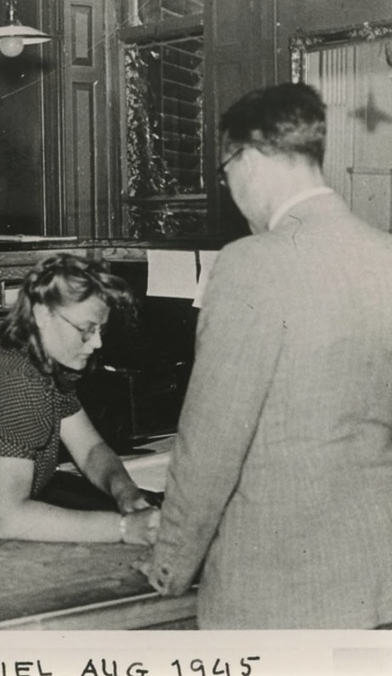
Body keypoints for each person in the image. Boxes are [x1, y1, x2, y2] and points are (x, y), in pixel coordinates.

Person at [136, 82, 392, 628]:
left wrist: (170, 564)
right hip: (376, 579)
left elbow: (212, 440)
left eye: (225, 173)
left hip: (277, 590)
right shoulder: (385, 256)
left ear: (248, 160)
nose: (230, 190)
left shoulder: (249, 264)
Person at [0, 253, 161, 546]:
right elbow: (10, 519)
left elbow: (90, 449)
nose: (97, 343)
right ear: (43, 315)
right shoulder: (20, 381)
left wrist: (126, 493)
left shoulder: (41, 359)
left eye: (100, 330)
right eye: (86, 329)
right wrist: (125, 528)